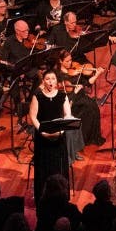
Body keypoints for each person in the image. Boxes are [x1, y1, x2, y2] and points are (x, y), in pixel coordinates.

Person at [27, 70, 75, 204]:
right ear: (43, 81)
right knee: (44, 166)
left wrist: (61, 132)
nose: (50, 82)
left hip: (59, 136)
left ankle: (61, 196)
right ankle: (42, 196)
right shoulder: (38, 96)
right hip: (43, 137)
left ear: (56, 81)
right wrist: (42, 132)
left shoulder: (62, 96)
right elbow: (33, 116)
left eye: (53, 79)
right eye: (47, 79)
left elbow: (68, 116)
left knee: (58, 166)